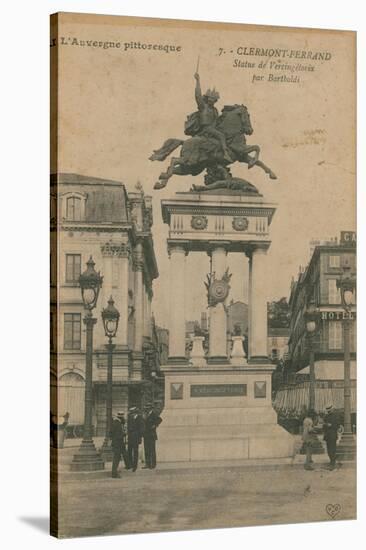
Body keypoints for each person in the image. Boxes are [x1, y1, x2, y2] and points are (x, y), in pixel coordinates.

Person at [186, 72, 232, 162]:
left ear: (215, 101)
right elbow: (197, 95)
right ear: (207, 99)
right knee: (221, 136)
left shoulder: (215, 110)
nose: (212, 101)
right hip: (205, 129)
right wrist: (198, 81)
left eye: (213, 100)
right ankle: (226, 154)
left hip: (213, 129)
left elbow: (217, 121)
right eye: (210, 99)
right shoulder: (203, 106)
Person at [142, 404, 163, 470]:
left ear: (150, 408)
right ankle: (147, 464)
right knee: (146, 450)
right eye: (146, 408)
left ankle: (153, 464)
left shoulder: (154, 414)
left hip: (151, 435)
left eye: (147, 408)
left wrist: (155, 425)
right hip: (146, 435)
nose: (146, 409)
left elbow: (160, 419)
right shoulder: (145, 415)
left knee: (152, 450)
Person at [111, 411, 129, 478]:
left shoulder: (118, 423)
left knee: (124, 453)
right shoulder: (117, 423)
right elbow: (117, 434)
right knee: (117, 458)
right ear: (120, 417)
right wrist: (124, 434)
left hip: (119, 442)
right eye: (122, 417)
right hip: (117, 442)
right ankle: (114, 473)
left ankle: (128, 465)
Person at [127, 407, 144, 472]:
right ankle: (130, 464)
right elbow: (128, 427)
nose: (131, 414)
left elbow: (142, 428)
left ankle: (135, 466)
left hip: (136, 437)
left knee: (135, 451)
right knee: (129, 451)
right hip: (130, 437)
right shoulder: (130, 418)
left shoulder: (140, 418)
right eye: (131, 412)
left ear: (135, 412)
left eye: (132, 412)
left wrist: (139, 437)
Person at [323, 404, 340, 470]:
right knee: (328, 450)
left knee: (332, 449)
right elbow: (323, 426)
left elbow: (337, 425)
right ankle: (331, 461)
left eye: (329, 410)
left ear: (332, 410)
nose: (329, 412)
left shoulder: (336, 416)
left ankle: (333, 463)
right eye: (328, 411)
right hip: (327, 436)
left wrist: (331, 425)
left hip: (333, 435)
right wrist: (325, 425)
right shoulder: (326, 416)